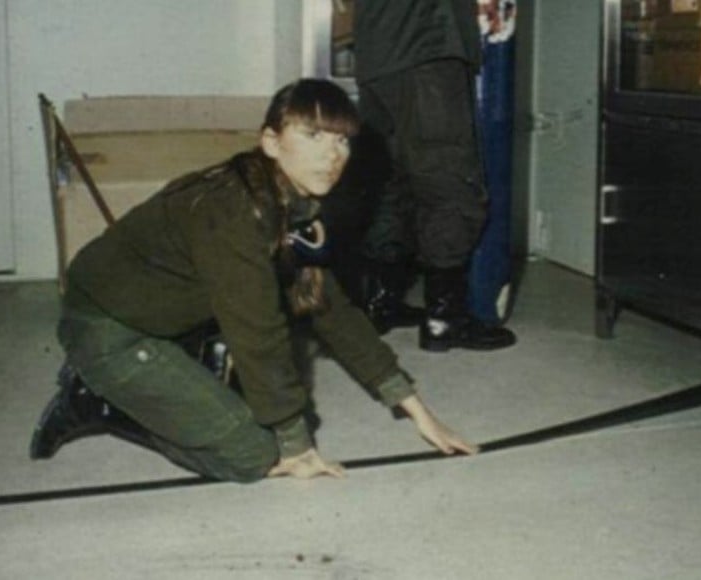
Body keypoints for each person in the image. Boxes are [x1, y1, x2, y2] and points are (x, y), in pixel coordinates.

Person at [29, 79, 477, 483]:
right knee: (254, 454)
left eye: (342, 139)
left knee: (249, 386)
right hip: (108, 328)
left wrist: (415, 410)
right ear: (271, 142)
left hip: (159, 310)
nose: (333, 154)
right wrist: (296, 447)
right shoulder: (234, 211)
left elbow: (331, 310)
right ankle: (95, 400)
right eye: (314, 135)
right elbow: (259, 333)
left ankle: (169, 375)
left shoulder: (292, 203)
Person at [352, 0, 517, 352]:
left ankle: (381, 302)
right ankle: (445, 318)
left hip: (377, 53)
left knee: (392, 183)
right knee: (450, 183)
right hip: (426, 46)